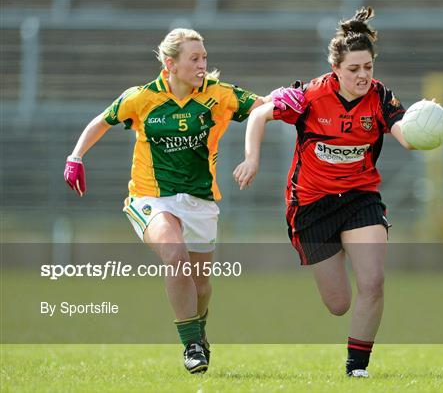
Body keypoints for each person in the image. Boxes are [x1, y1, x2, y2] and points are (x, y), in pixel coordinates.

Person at [63, 28, 303, 374]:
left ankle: (197, 331)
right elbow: (102, 121)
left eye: (204, 57)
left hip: (200, 202)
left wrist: (287, 98)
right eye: (195, 59)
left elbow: (261, 107)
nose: (203, 64)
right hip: (150, 198)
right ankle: (191, 345)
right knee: (175, 255)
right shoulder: (141, 97)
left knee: (201, 283)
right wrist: (76, 156)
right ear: (170, 64)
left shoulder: (218, 95)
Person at [233, 7, 420, 378]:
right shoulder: (310, 96)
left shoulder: (380, 97)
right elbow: (258, 116)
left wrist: (426, 127)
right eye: (354, 69)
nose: (363, 75)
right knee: (338, 304)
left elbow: (408, 138)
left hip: (359, 197)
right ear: (335, 68)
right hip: (311, 205)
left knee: (373, 281)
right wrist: (251, 159)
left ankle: (357, 369)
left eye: (368, 67)